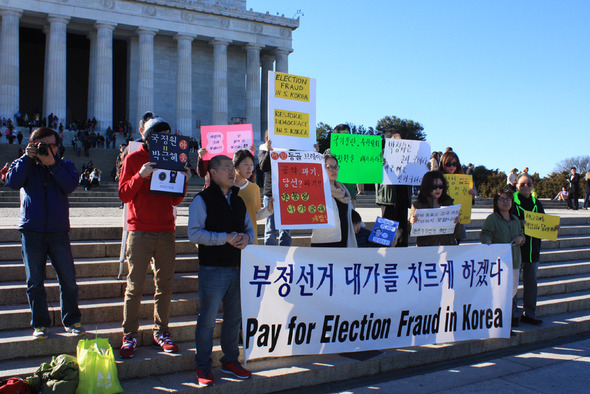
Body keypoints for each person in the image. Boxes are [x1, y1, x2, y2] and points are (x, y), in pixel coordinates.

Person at [118, 115, 191, 358]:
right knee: (134, 286)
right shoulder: (133, 158)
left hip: (166, 229)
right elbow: (123, 195)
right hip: (139, 230)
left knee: (165, 285)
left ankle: (161, 331)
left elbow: (174, 200)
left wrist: (184, 182)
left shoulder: (173, 159)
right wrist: (140, 175)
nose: (167, 140)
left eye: (169, 135)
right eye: (162, 136)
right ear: (149, 138)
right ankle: (129, 335)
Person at [5, 127, 84, 339]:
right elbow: (12, 182)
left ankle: (72, 320)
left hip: (58, 230)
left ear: (58, 147)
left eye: (50, 145)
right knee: (34, 281)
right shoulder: (25, 165)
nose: (46, 149)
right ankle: (40, 324)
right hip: (32, 230)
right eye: (41, 145)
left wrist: (53, 165)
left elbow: (69, 185)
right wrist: (25, 157)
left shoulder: (66, 165)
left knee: (68, 279)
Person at [187, 155, 254, 386]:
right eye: (225, 168)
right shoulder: (202, 200)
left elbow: (250, 231)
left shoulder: (238, 200)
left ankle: (230, 360)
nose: (231, 172)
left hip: (237, 267)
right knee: (207, 319)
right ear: (213, 173)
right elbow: (194, 233)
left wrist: (247, 238)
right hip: (213, 268)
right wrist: (223, 238)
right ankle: (203, 364)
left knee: (234, 318)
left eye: (231, 168)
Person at [480, 188, 525, 330]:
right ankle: (499, 323)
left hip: (515, 261)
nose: (505, 202)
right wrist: (487, 241)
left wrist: (521, 238)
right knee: (499, 294)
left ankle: (506, 322)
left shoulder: (515, 219)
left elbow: (522, 236)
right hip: (500, 262)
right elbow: (485, 234)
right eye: (502, 199)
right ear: (496, 202)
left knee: (511, 293)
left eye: (508, 199)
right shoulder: (492, 219)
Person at [512, 173, 552, 325]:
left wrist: (552, 227)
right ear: (517, 185)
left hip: (533, 249)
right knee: (514, 284)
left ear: (533, 186)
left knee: (531, 284)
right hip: (517, 249)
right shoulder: (512, 201)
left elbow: (543, 222)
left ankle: (530, 314)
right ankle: (514, 314)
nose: (526, 186)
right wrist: (519, 223)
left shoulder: (537, 202)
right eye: (522, 184)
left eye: (529, 183)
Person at [311, 153, 357, 247]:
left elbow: (348, 212)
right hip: (324, 243)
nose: (334, 170)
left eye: (336, 167)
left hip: (343, 241)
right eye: (330, 167)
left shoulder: (342, 189)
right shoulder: (316, 189)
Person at [375, 130, 412, 247]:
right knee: (385, 232)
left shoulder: (407, 155)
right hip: (388, 196)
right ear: (388, 141)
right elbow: (371, 174)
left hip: (403, 195)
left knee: (402, 231)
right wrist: (379, 164)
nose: (399, 141)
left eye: (400, 138)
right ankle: (381, 255)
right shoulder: (381, 155)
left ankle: (401, 254)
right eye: (396, 138)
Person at [409, 171, 460, 246]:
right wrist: (411, 222)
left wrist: (457, 223)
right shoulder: (418, 205)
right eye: (434, 187)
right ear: (427, 187)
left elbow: (456, 232)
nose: (438, 189)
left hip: (447, 247)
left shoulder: (448, 203)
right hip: (426, 248)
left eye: (440, 186)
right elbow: (409, 231)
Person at [232, 149, 272, 244]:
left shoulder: (254, 188)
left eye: (251, 165)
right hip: (231, 241)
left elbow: (255, 215)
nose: (250, 168)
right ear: (236, 165)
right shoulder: (226, 188)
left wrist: (269, 209)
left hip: (250, 241)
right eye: (246, 164)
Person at [259, 134, 291, 246]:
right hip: (271, 193)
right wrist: (269, 151)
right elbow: (264, 167)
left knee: (286, 230)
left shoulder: (288, 149)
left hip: (287, 193)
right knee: (270, 229)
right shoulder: (263, 149)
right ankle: (270, 257)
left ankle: (285, 254)